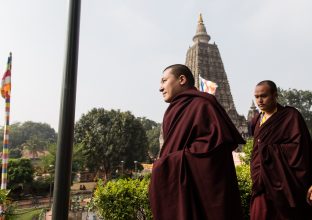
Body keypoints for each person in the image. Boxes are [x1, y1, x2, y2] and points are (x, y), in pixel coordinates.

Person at [149, 64, 245, 220]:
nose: (160, 88)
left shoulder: (203, 105)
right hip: (180, 187)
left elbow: (214, 150)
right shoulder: (173, 110)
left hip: (205, 192)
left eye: (164, 81)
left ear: (181, 79)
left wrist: (168, 163)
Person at [250, 80, 312, 219]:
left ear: (275, 95)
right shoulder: (257, 120)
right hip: (262, 181)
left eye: (264, 96)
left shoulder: (290, 116)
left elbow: (302, 149)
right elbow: (255, 152)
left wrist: (268, 150)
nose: (259, 100)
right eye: (257, 96)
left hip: (286, 181)